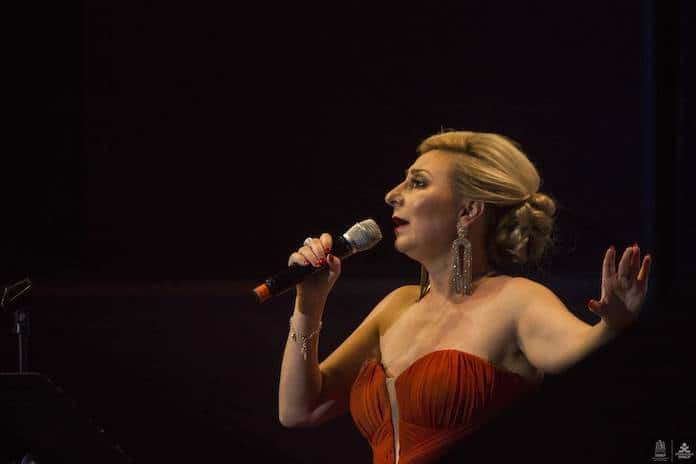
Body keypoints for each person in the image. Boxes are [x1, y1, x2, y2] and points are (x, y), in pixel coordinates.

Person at [277, 130, 651, 464]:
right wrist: (309, 305)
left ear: (469, 210)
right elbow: (299, 410)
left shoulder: (516, 301)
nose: (392, 195)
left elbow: (581, 355)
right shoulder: (397, 306)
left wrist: (613, 327)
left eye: (417, 183)